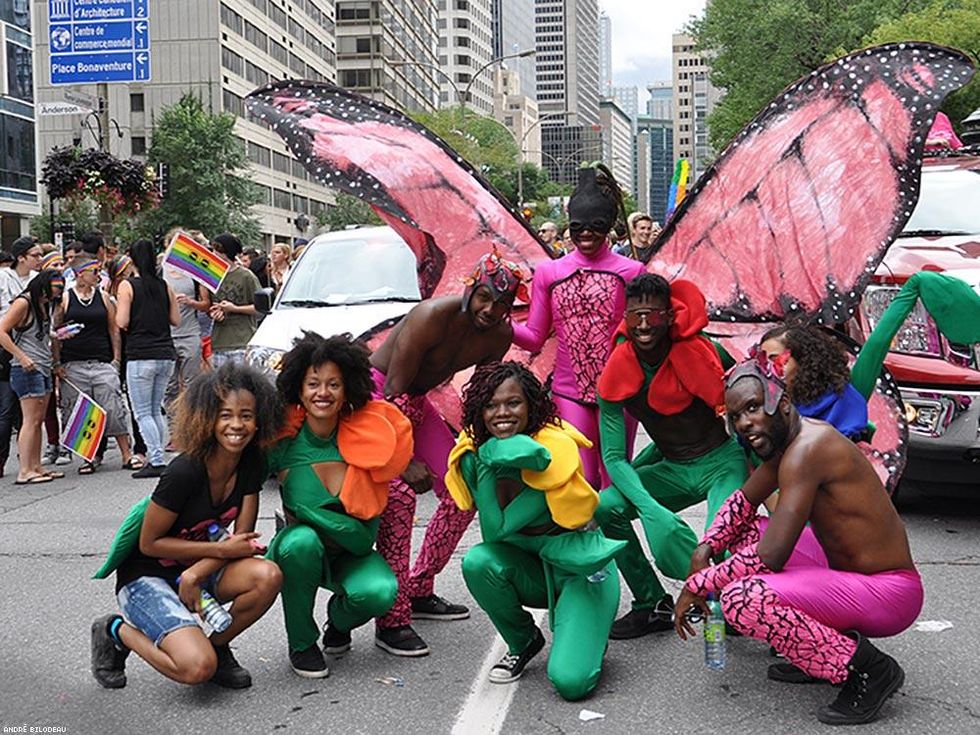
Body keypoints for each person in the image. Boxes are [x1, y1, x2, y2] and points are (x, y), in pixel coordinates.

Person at [673, 358, 922, 726]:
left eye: (754, 408)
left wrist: (699, 583)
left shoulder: (809, 448)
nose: (745, 423)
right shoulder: (789, 443)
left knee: (743, 600)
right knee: (745, 531)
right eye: (737, 414)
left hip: (890, 592)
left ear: (783, 403)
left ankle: (871, 670)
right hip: (847, 576)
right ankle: (817, 653)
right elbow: (743, 503)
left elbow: (771, 556)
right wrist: (704, 548)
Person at [369, 249, 526, 655]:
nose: (491, 310)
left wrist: (486, 447)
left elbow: (483, 395)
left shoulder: (499, 335)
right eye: (486, 297)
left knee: (465, 489)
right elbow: (392, 392)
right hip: (378, 400)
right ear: (471, 289)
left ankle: (420, 587)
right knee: (400, 498)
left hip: (415, 401)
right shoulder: (430, 316)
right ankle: (392, 618)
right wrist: (402, 461)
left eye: (503, 304)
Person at [89, 363, 283, 690]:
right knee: (196, 669)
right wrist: (218, 551)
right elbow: (150, 543)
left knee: (268, 576)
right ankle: (115, 631)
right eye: (225, 415)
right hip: (146, 576)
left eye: (246, 415)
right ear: (208, 418)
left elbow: (241, 542)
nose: (237, 425)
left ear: (259, 419)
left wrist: (196, 572)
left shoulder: (251, 463)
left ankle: (219, 647)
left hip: (198, 571)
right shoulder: (185, 472)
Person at [448, 362, 622, 700]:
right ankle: (524, 640)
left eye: (513, 403)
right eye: (491, 404)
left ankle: (586, 635)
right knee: (478, 562)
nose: (502, 413)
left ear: (531, 405)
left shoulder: (551, 455)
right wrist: (484, 463)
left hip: (579, 571)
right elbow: (490, 542)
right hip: (532, 569)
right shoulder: (471, 456)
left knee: (571, 683)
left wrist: (487, 461)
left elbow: (496, 530)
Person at [594, 273, 746, 639]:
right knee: (604, 506)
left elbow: (751, 395)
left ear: (669, 315)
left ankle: (740, 602)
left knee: (719, 538)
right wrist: (651, 510)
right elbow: (614, 457)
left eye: (653, 314)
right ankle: (651, 603)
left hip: (722, 461)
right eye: (635, 316)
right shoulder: (617, 367)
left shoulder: (704, 350)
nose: (644, 325)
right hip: (673, 467)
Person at [265, 331, 412, 678]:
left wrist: (312, 515)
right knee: (301, 542)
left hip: (351, 555)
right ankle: (301, 644)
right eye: (313, 383)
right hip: (299, 552)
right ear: (299, 389)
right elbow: (234, 479)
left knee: (381, 592)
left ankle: (339, 621)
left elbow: (363, 540)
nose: (323, 393)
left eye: (333, 384)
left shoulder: (367, 441)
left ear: (348, 389)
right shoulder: (282, 443)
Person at [513, 165, 646, 488]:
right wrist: (495, 321)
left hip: (620, 391)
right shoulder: (548, 272)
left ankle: (618, 541)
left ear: (609, 227)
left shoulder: (633, 271)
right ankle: (587, 539)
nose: (586, 234)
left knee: (615, 482)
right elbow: (533, 338)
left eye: (595, 227)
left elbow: (646, 333)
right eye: (577, 227)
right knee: (582, 481)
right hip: (568, 393)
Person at [54, 256, 140, 474]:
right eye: (93, 271)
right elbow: (54, 332)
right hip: (73, 362)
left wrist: (116, 359)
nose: (98, 274)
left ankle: (126, 453)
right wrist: (56, 362)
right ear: (80, 273)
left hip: (101, 360)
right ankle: (89, 457)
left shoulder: (103, 297)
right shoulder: (65, 298)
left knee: (113, 406)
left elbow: (113, 329)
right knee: (80, 410)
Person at [115, 240, 179, 478]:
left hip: (140, 354)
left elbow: (121, 321)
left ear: (131, 259)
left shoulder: (127, 286)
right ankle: (157, 455)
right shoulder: (165, 286)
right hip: (165, 353)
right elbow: (176, 320)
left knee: (142, 412)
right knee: (155, 409)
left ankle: (155, 458)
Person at [0, 270, 65, 484]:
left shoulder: (44, 304)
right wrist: (22, 356)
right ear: (45, 285)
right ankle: (25, 469)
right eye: (55, 289)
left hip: (42, 365)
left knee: (38, 420)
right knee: (29, 420)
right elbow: (2, 330)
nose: (57, 294)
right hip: (26, 367)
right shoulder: (24, 303)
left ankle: (36, 465)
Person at [162, 230, 211, 441]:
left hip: (190, 332)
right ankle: (174, 432)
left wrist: (191, 303)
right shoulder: (159, 270)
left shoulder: (194, 272)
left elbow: (206, 304)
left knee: (192, 384)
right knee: (170, 386)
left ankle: (192, 431)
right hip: (167, 334)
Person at [0, 237, 42, 477]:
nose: (39, 260)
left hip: (34, 348)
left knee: (34, 412)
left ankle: (33, 462)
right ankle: (12, 462)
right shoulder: (4, 278)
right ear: (21, 257)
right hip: (7, 349)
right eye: (35, 255)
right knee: (8, 409)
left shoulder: (38, 280)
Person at [208, 233, 260, 368]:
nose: (213, 254)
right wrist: (214, 313)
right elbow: (210, 305)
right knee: (222, 387)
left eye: (217, 250)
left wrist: (234, 308)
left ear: (226, 253)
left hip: (242, 341)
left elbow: (260, 308)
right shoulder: (213, 275)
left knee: (240, 386)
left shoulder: (246, 276)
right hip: (219, 342)